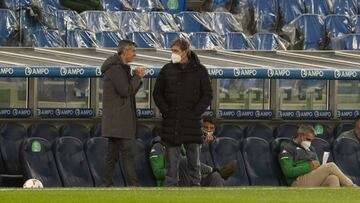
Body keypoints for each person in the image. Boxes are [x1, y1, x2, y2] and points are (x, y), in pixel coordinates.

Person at [153, 38, 213, 186]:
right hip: (171, 123)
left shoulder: (200, 70)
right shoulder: (167, 69)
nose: (172, 54)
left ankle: (194, 189)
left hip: (192, 123)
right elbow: (157, 94)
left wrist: (196, 112)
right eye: (172, 51)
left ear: (185, 52)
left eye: (176, 51)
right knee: (171, 166)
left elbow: (207, 95)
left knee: (194, 163)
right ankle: (170, 192)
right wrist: (166, 111)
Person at [100, 39, 145, 187]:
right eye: (133, 51)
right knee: (127, 155)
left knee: (112, 156)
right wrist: (137, 76)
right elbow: (126, 91)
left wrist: (135, 78)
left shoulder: (120, 68)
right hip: (120, 121)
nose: (135, 54)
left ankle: (105, 184)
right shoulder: (115, 69)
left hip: (117, 121)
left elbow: (128, 91)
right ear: (124, 51)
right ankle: (134, 186)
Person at [149, 116, 236, 187]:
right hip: (172, 182)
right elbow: (157, 173)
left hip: (190, 178)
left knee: (215, 177)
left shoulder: (180, 144)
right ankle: (215, 170)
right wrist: (175, 167)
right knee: (183, 161)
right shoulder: (157, 147)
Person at [278, 125, 355, 187]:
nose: (309, 142)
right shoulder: (287, 148)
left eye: (311, 140)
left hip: (312, 178)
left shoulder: (311, 148)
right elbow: (288, 172)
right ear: (300, 135)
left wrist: (317, 166)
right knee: (330, 166)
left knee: (333, 179)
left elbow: (316, 165)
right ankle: (352, 187)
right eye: (308, 139)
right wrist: (309, 167)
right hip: (297, 182)